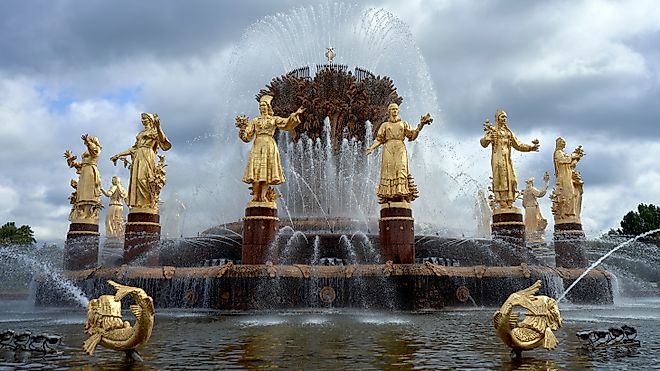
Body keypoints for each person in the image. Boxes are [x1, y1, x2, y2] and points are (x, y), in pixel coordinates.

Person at [236, 95, 305, 203]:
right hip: (258, 145)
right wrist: (242, 130)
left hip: (269, 145)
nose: (262, 108)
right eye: (260, 106)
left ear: (268, 107)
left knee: (267, 171)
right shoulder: (255, 121)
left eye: (264, 105)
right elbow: (247, 137)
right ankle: (255, 195)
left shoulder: (274, 119)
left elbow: (286, 123)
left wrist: (295, 114)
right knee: (256, 171)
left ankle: (263, 195)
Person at [366, 103, 432, 203]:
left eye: (396, 109)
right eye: (392, 109)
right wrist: (371, 148)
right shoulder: (385, 125)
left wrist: (421, 125)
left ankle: (402, 194)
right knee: (388, 171)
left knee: (401, 169)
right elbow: (379, 139)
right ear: (389, 111)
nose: (395, 111)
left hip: (400, 148)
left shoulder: (403, 123)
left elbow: (412, 135)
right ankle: (388, 195)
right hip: (388, 148)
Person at [111, 113, 171, 211]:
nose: (143, 120)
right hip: (138, 156)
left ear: (150, 120)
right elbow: (133, 149)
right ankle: (139, 204)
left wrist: (158, 126)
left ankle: (147, 203)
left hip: (147, 154)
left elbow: (163, 140)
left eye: (145, 118)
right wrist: (118, 155)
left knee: (143, 178)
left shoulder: (154, 131)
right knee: (136, 179)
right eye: (142, 119)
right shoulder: (140, 133)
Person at [480, 110, 539, 209]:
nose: (504, 119)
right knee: (500, 179)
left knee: (512, 179)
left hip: (507, 160)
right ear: (497, 118)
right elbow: (483, 143)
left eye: (505, 117)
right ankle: (502, 201)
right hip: (498, 159)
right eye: (502, 117)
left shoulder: (509, 132)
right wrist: (488, 139)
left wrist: (530, 148)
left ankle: (509, 200)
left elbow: (518, 145)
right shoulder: (493, 131)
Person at [64, 134, 102, 220]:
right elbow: (81, 163)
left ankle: (88, 213)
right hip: (84, 171)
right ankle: (82, 212)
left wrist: (88, 142)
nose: (86, 142)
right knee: (82, 192)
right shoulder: (87, 151)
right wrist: (71, 160)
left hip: (90, 171)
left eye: (89, 140)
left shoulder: (96, 149)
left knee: (88, 193)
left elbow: (94, 152)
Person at [551, 137, 584, 221]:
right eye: (562, 142)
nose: (564, 143)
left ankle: (570, 213)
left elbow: (570, 164)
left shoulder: (563, 152)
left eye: (564, 142)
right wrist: (572, 156)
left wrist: (577, 158)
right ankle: (566, 213)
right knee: (567, 193)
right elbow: (563, 160)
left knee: (571, 193)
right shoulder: (557, 152)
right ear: (558, 143)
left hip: (568, 174)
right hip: (563, 175)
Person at [522, 172, 550, 243]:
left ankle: (529, 237)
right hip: (533, 208)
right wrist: (546, 183)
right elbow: (541, 193)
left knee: (528, 225)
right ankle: (534, 239)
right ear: (532, 182)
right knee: (535, 224)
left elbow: (523, 204)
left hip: (527, 209)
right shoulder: (532, 189)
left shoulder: (525, 191)